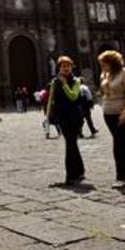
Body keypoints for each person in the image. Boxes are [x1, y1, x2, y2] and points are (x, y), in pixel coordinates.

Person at [98, 50, 125, 187]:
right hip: (108, 113)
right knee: (121, 143)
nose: (102, 66)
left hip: (123, 113)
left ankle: (120, 177)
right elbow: (104, 92)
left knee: (118, 143)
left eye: (104, 64)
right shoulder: (105, 74)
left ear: (113, 63)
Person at [47, 56, 85, 185]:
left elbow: (73, 96)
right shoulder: (55, 81)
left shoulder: (76, 81)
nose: (66, 68)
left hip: (74, 116)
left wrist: (64, 85)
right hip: (62, 117)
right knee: (71, 142)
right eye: (63, 66)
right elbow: (52, 99)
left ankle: (71, 174)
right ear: (59, 67)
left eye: (68, 65)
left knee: (70, 143)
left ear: (72, 67)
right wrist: (49, 115)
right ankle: (79, 171)